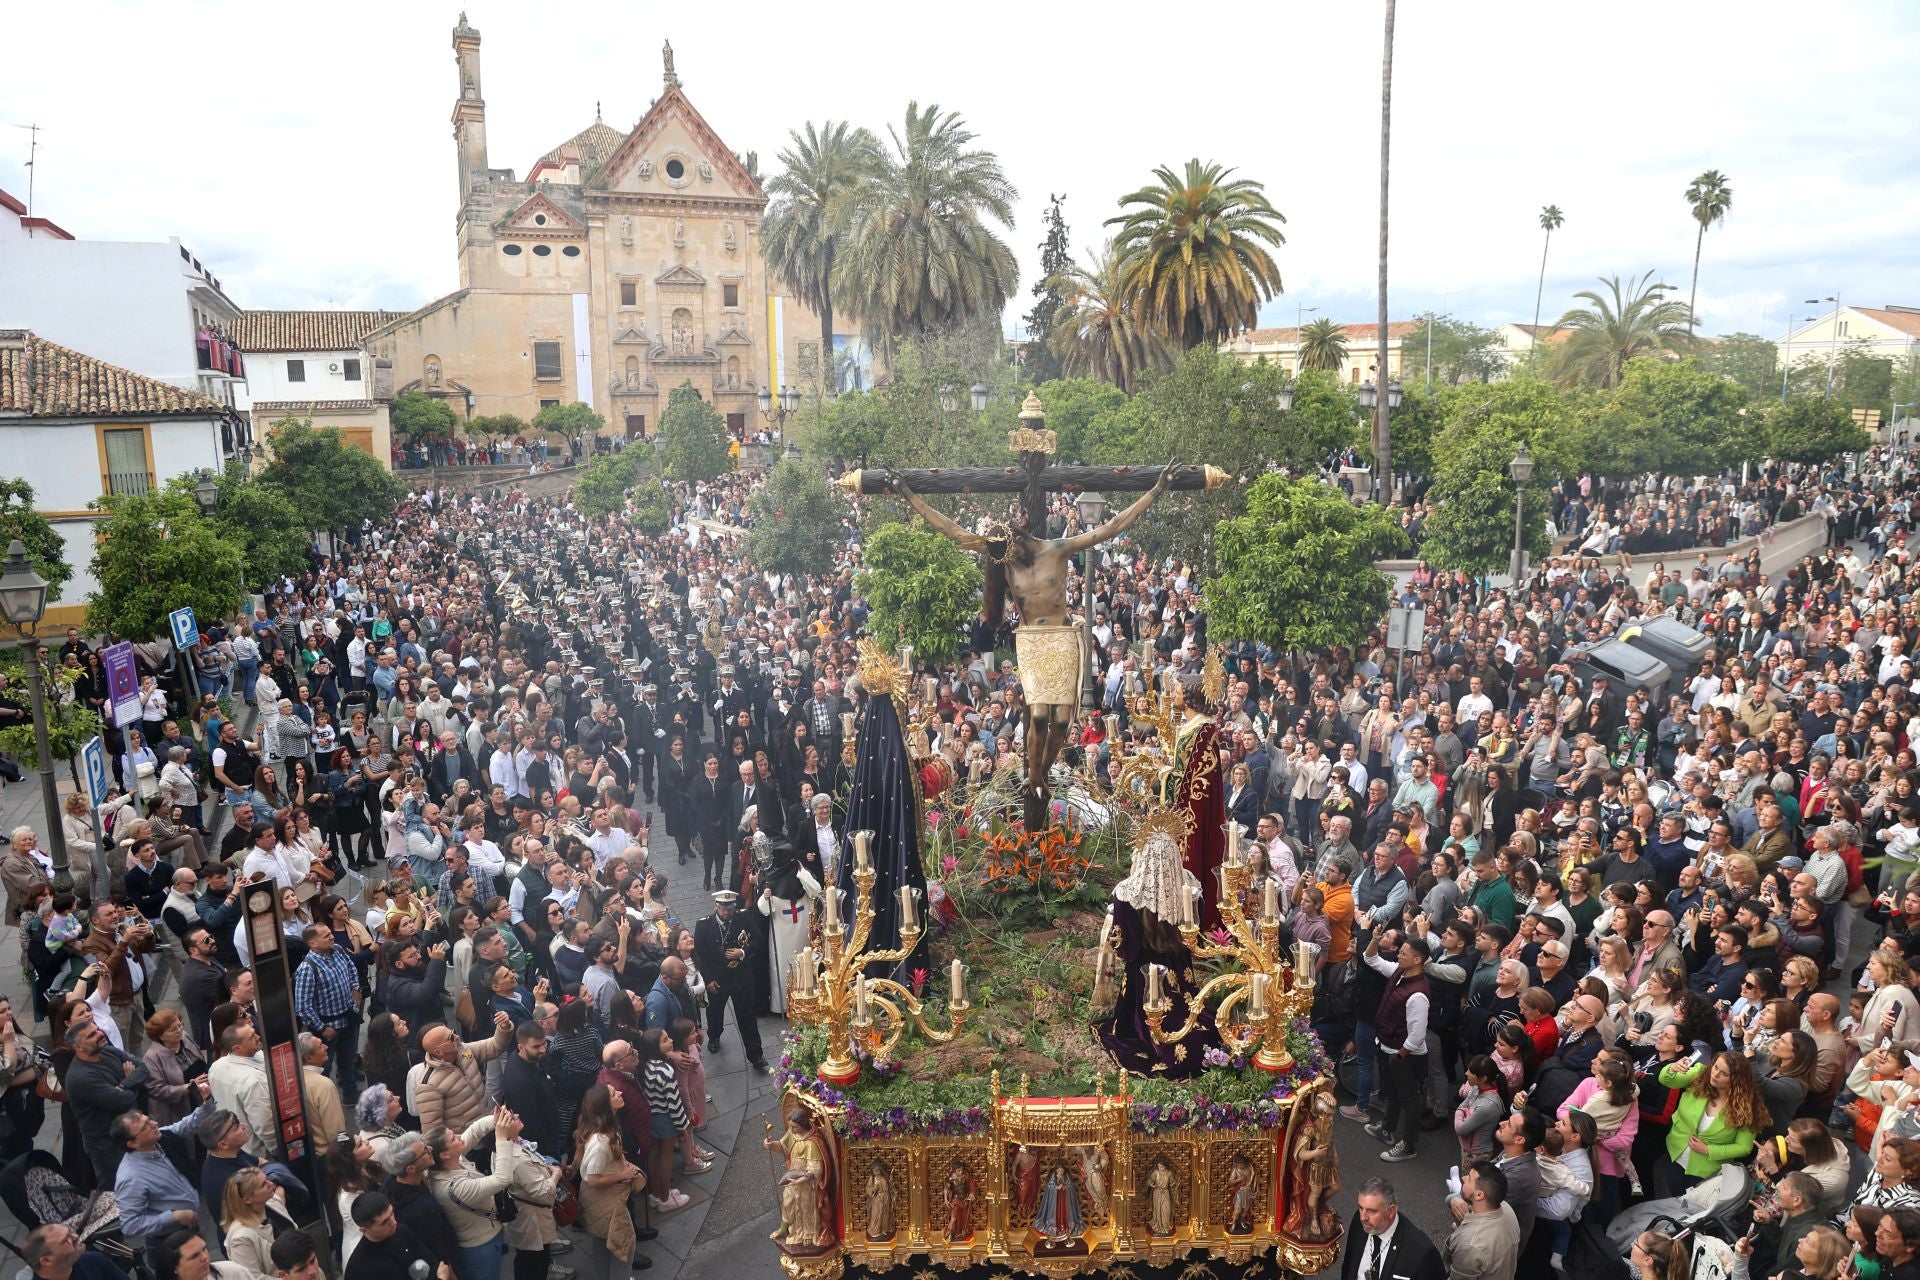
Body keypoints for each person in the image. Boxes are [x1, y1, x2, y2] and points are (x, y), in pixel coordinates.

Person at [424, 1107, 524, 1280]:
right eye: (453, 1138)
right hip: (480, 1247)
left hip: (486, 1237)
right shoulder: (454, 1188)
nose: (458, 1136)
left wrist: (496, 1120)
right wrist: (502, 1137)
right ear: (445, 1154)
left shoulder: (452, 1160)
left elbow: (475, 1130)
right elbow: (502, 1178)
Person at [574, 1084, 653, 1273]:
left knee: (602, 1243)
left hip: (601, 1204)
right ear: (605, 1106)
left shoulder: (604, 1129)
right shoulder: (601, 1142)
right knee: (622, 1249)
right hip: (607, 1204)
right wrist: (623, 1175)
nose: (619, 1093)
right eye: (613, 1094)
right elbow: (592, 1179)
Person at [1340, 1176, 1445, 1280]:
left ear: (1391, 1211)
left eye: (1371, 1211)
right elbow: (1348, 1267)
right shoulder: (1359, 1224)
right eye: (1360, 1208)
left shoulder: (1422, 1252)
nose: (1363, 1217)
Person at [345, 1192, 454, 1280]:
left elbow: (430, 1261)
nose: (393, 1222)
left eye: (392, 1213)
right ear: (364, 1230)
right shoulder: (360, 1268)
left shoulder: (402, 1232)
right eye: (384, 1222)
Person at [1442, 1160, 1520, 1280]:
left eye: (1469, 1178)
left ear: (1479, 1195)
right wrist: (1452, 1199)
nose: (1463, 1178)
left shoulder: (1470, 1244)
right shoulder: (1506, 1208)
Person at [23, 1223, 129, 1280]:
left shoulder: (95, 1261)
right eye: (66, 1240)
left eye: (70, 1233)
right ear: (46, 1260)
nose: (76, 1237)